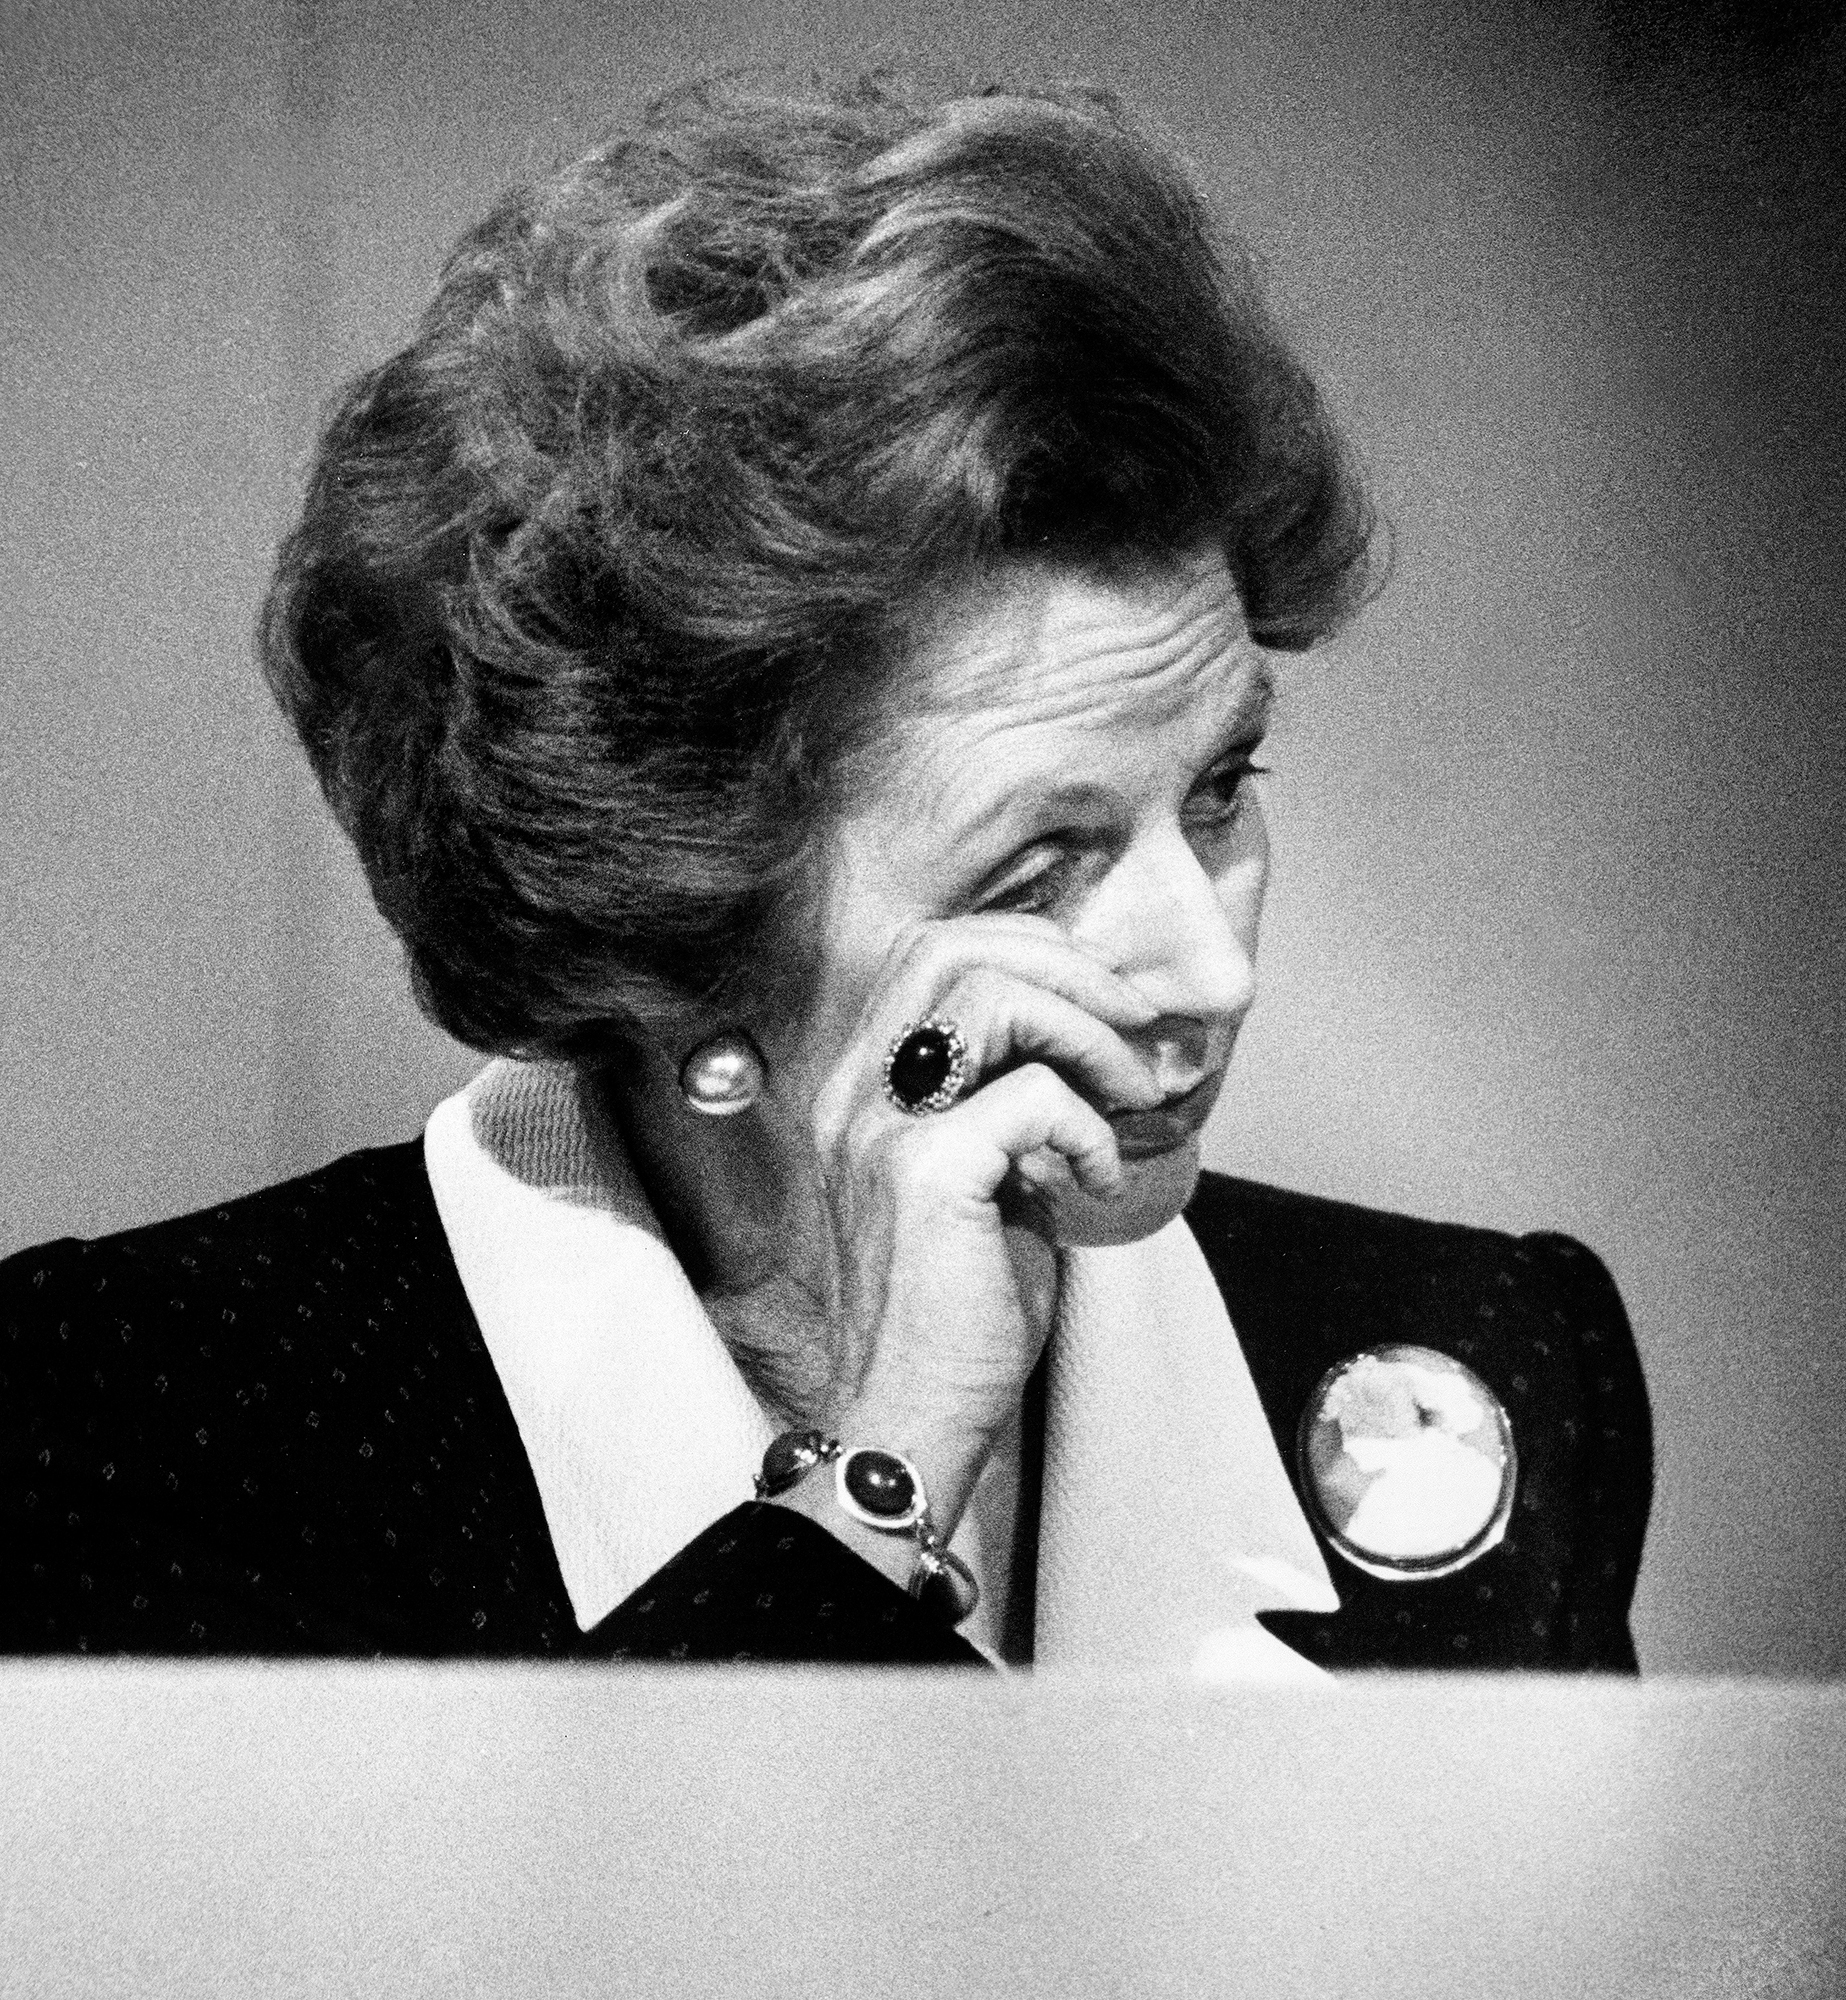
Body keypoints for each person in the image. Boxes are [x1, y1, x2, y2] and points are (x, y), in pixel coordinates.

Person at [0, 74, 1650, 1672]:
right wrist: (891, 1457)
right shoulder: (154, 1403)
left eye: (1217, 791)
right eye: (1035, 867)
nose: (1210, 970)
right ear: (680, 940)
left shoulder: (1472, 1358)